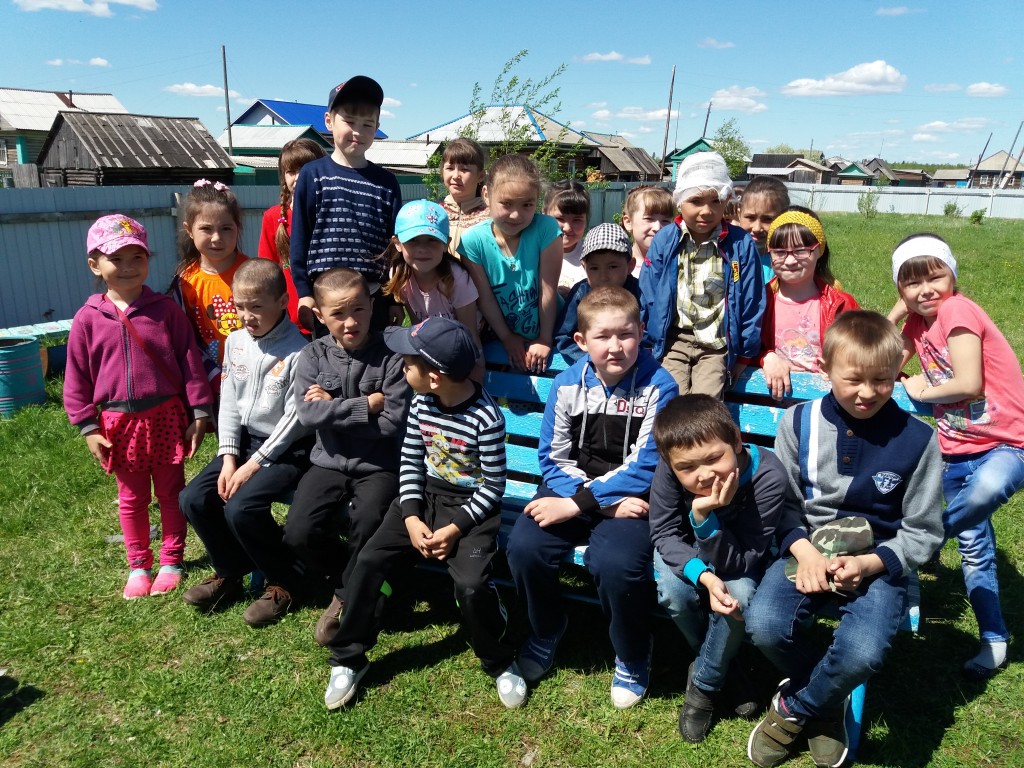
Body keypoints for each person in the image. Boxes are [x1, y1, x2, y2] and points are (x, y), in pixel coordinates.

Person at [745, 311, 944, 768]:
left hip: (878, 562)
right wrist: (804, 552)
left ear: (897, 372)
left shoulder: (918, 440)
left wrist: (870, 564)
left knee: (863, 652)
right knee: (766, 626)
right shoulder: (799, 422)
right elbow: (782, 505)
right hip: (806, 549)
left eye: (882, 380)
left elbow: (924, 530)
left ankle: (796, 708)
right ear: (825, 370)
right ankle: (829, 696)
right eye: (853, 379)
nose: (867, 392)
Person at [322, 317, 522, 709]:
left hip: (471, 507)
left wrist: (454, 528)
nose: (401, 368)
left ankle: (498, 658)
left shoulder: (487, 418)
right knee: (369, 560)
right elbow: (412, 462)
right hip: (424, 496)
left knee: (471, 586)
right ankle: (348, 657)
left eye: (408, 363)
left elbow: (492, 486)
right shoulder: (422, 402)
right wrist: (412, 517)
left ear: (434, 377)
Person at [505, 286, 679, 709]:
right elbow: (552, 458)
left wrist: (581, 504)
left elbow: (646, 465)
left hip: (633, 498)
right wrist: (596, 503)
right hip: (575, 490)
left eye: (626, 334)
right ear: (582, 341)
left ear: (641, 332)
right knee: (524, 547)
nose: (615, 346)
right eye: (603, 336)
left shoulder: (660, 386)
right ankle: (547, 628)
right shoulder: (567, 384)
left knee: (617, 564)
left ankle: (632, 651)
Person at [894, 233, 1024, 679]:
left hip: (1006, 443)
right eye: (912, 283)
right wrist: (899, 311)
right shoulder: (916, 324)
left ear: (952, 276)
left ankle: (920, 543)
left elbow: (969, 384)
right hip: (954, 452)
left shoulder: (957, 309)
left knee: (988, 489)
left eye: (935, 277)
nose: (926, 289)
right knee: (975, 549)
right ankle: (994, 640)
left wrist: (920, 390)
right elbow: (881, 355)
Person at [64, 215, 212, 599]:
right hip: (118, 424)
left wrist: (199, 412)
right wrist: (88, 427)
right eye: (117, 259)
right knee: (131, 499)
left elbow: (190, 363)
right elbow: (76, 379)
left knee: (171, 493)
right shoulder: (87, 319)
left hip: (165, 418)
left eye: (137, 258)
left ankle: (171, 560)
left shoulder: (165, 311)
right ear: (95, 265)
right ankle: (138, 565)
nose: (128, 267)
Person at [179, 259, 313, 627]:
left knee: (241, 507)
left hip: (288, 450)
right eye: (239, 306)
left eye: (256, 306)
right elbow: (228, 404)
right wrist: (228, 458)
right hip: (245, 443)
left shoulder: (300, 351)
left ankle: (286, 578)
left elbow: (295, 421)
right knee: (193, 499)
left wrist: (252, 466)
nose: (246, 315)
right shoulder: (235, 342)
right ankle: (230, 571)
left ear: (282, 301)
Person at [648, 394, 786, 742]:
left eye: (714, 458)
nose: (704, 474)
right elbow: (664, 532)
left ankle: (705, 683)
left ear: (736, 441)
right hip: (684, 550)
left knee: (738, 596)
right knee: (675, 593)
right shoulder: (671, 463)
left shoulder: (768, 475)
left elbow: (743, 561)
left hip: (739, 555)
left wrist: (704, 518)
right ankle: (725, 664)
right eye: (687, 468)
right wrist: (704, 575)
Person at [283, 268, 410, 645]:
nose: (351, 322)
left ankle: (346, 599)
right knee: (298, 531)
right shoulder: (312, 355)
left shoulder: (392, 356)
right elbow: (308, 415)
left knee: (367, 521)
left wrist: (333, 408)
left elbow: (391, 424)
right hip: (328, 460)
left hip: (379, 465)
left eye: (358, 309)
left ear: (371, 305)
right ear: (320, 316)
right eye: (338, 314)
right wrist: (365, 405)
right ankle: (354, 580)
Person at [640, 151, 765, 398]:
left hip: (715, 346)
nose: (707, 211)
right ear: (680, 201)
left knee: (704, 407)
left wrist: (745, 353)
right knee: (669, 401)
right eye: (696, 201)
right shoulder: (665, 240)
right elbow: (649, 293)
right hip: (673, 341)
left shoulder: (740, 244)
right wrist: (648, 342)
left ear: (727, 200)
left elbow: (752, 299)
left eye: (716, 201)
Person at [290, 76, 402, 334]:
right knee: (329, 359)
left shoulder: (387, 182)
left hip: (373, 301)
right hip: (327, 302)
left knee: (378, 359)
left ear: (377, 127)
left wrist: (394, 299)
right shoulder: (313, 174)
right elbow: (300, 238)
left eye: (367, 124)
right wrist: (304, 293)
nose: (357, 131)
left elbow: (395, 249)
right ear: (329, 120)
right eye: (349, 121)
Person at [458, 154, 563, 373]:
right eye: (506, 204)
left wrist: (545, 338)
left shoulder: (547, 229)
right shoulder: (472, 242)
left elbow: (548, 290)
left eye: (527, 205)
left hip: (554, 329)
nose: (516, 215)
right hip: (501, 335)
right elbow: (485, 298)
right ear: (486, 195)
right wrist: (507, 337)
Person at [750, 208, 859, 400]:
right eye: (780, 252)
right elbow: (741, 347)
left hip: (825, 400)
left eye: (800, 251)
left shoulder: (840, 304)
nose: (790, 260)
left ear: (819, 250)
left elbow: (863, 351)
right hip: (768, 400)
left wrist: (839, 364)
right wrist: (765, 357)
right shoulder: (759, 301)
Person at [169, 179, 247, 376]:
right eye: (206, 229)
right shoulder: (185, 282)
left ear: (238, 227)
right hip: (207, 380)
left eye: (226, 228)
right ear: (189, 230)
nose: (217, 238)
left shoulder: (253, 273)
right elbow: (182, 340)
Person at [258, 137, 326, 336]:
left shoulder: (331, 214)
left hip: (331, 318)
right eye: (291, 171)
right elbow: (266, 272)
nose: (298, 178)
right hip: (289, 325)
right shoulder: (273, 217)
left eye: (305, 170)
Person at [554, 223, 640, 364]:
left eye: (613, 267)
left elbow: (648, 333)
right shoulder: (581, 293)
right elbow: (563, 336)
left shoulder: (638, 291)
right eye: (594, 268)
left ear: (630, 265)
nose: (603, 277)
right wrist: (590, 360)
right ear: (584, 267)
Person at [439, 137, 489, 252]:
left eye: (464, 169)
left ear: (480, 176)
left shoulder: (491, 217)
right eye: (450, 168)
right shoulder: (435, 213)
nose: (456, 176)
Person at [736, 177, 790, 280]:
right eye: (750, 217)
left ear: (785, 218)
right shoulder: (728, 254)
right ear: (739, 215)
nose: (757, 228)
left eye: (768, 219)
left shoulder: (790, 262)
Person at [544, 180, 590, 295]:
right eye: (560, 219)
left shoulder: (591, 255)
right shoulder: (532, 253)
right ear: (544, 214)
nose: (568, 228)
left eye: (577, 220)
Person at [621, 185, 675, 279]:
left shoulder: (676, 265)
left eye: (665, 221)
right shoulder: (617, 267)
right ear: (629, 222)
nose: (657, 228)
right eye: (649, 219)